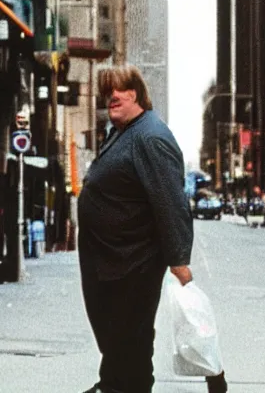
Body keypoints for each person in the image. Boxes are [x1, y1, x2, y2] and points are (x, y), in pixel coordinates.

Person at [77, 64, 227, 393]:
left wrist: (179, 261)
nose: (111, 97)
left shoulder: (150, 136)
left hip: (133, 261)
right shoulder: (122, 132)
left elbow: (170, 202)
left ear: (137, 94)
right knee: (117, 333)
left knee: (130, 335)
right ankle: (112, 383)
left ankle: (122, 387)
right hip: (111, 258)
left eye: (120, 90)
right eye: (107, 92)